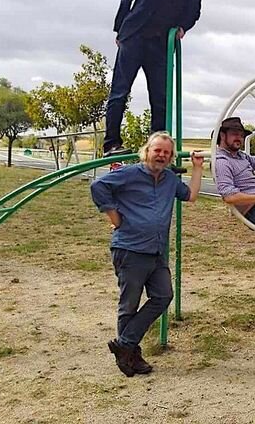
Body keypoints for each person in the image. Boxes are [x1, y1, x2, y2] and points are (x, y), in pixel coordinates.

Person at [90, 131, 204, 377]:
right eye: (157, 150)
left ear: (171, 157)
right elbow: (98, 186)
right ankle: (131, 356)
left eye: (166, 152)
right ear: (147, 151)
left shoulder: (170, 179)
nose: (161, 155)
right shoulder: (130, 173)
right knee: (129, 304)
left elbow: (191, 196)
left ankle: (125, 345)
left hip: (157, 250)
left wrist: (197, 168)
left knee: (163, 295)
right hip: (130, 249)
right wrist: (114, 216)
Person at [103, 0, 206, 156]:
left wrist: (183, 27)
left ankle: (158, 150)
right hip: (135, 36)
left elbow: (194, 12)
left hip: (161, 45)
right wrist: (120, 30)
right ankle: (111, 143)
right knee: (120, 91)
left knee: (161, 99)